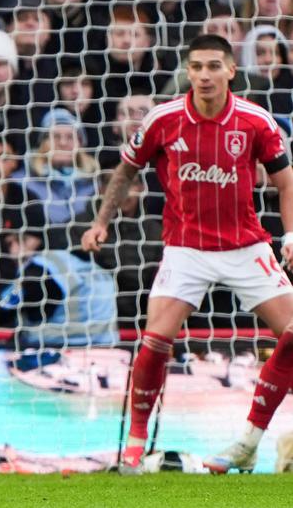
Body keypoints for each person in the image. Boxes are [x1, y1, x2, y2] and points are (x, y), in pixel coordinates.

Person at [82, 34, 293, 475]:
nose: (204, 75)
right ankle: (135, 449)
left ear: (231, 71)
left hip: (245, 245)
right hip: (185, 249)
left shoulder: (256, 122)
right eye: (196, 67)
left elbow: (286, 182)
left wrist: (290, 235)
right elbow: (126, 169)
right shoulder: (163, 119)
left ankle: (248, 444)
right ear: (188, 71)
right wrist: (101, 222)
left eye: (213, 66)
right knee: (155, 339)